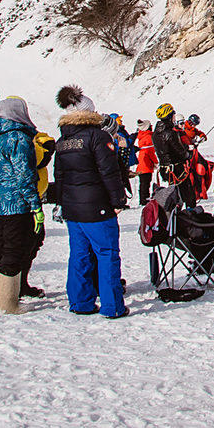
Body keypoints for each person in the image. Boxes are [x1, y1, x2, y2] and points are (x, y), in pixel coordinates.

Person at [52, 85, 129, 318]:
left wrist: (61, 203)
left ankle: (80, 301)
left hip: (73, 208)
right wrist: (118, 199)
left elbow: (59, 176)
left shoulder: (62, 140)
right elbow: (109, 172)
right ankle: (112, 306)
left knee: (79, 255)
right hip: (97, 207)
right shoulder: (97, 137)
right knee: (106, 254)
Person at [0, 96, 43, 314]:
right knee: (15, 249)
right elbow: (25, 176)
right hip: (17, 205)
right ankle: (9, 303)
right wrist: (35, 206)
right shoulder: (19, 139)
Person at [152, 104, 194, 208]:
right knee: (188, 195)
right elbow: (180, 152)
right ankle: (191, 214)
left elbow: (167, 148)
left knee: (174, 194)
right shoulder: (171, 133)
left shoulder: (155, 134)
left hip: (165, 168)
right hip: (177, 169)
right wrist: (189, 153)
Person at [133, 120, 157, 206]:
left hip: (142, 162)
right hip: (146, 164)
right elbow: (150, 152)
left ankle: (143, 198)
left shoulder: (142, 137)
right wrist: (155, 162)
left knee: (143, 182)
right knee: (146, 182)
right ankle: (144, 198)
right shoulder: (148, 137)